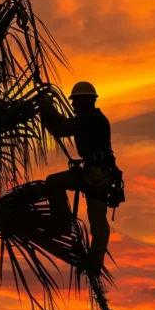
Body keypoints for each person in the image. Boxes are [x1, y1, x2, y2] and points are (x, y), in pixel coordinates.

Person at [39, 81, 115, 273]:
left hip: (99, 174)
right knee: (54, 182)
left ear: (86, 100)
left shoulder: (90, 118)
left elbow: (62, 128)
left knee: (97, 217)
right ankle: (63, 223)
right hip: (92, 170)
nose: (72, 104)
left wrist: (48, 105)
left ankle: (95, 258)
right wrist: (46, 109)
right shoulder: (89, 118)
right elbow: (60, 128)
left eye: (75, 100)